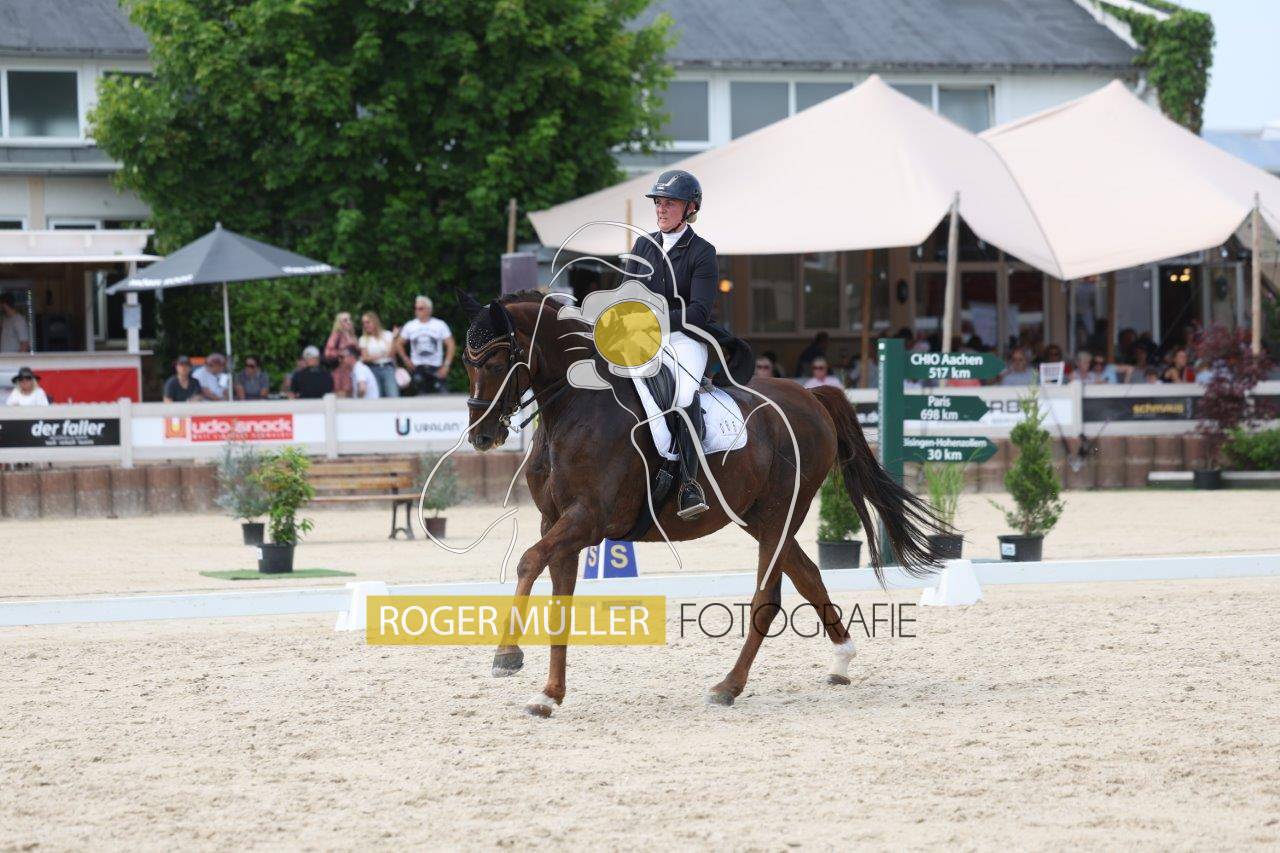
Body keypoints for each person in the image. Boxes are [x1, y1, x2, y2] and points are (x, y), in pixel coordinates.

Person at [622, 168, 721, 520]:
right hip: (641, 339)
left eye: (670, 203)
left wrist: (655, 321)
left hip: (685, 339)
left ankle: (689, 484)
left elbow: (699, 312)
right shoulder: (643, 245)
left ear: (690, 208)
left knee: (682, 395)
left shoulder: (702, 252)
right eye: (658, 203)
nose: (661, 209)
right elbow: (626, 295)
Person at [396, 295, 455, 395]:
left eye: (420, 308)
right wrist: (406, 360)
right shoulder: (410, 325)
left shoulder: (440, 325)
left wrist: (446, 365)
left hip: (436, 367)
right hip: (417, 368)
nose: (417, 311)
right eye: (416, 308)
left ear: (429, 309)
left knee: (443, 395)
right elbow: (399, 343)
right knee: (418, 395)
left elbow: (451, 344)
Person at [359, 311, 398, 398]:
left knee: (393, 394)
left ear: (375, 322)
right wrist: (382, 354)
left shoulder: (387, 334)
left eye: (368, 322)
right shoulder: (363, 339)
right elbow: (365, 358)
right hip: (372, 369)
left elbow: (391, 354)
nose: (366, 325)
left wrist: (394, 339)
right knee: (376, 396)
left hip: (388, 367)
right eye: (364, 323)